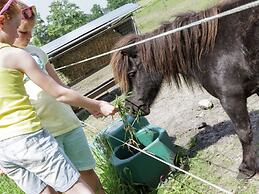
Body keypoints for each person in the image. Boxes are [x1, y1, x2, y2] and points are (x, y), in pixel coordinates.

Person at [0, 0, 116, 194]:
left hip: (6, 147)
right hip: (29, 137)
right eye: (17, 27)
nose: (19, 35)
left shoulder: (33, 53)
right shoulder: (15, 55)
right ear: (3, 21)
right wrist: (97, 104)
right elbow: (60, 93)